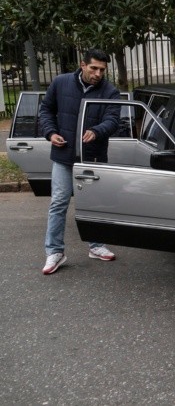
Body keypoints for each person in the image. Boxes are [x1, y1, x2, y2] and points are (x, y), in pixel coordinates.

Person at [38, 48, 121, 275]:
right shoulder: (61, 83)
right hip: (63, 157)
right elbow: (45, 110)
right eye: (93, 68)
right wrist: (50, 133)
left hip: (92, 159)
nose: (97, 74)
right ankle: (54, 252)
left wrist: (97, 130)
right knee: (58, 203)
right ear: (82, 65)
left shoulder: (110, 92)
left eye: (102, 70)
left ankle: (96, 246)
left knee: (94, 204)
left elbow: (113, 120)